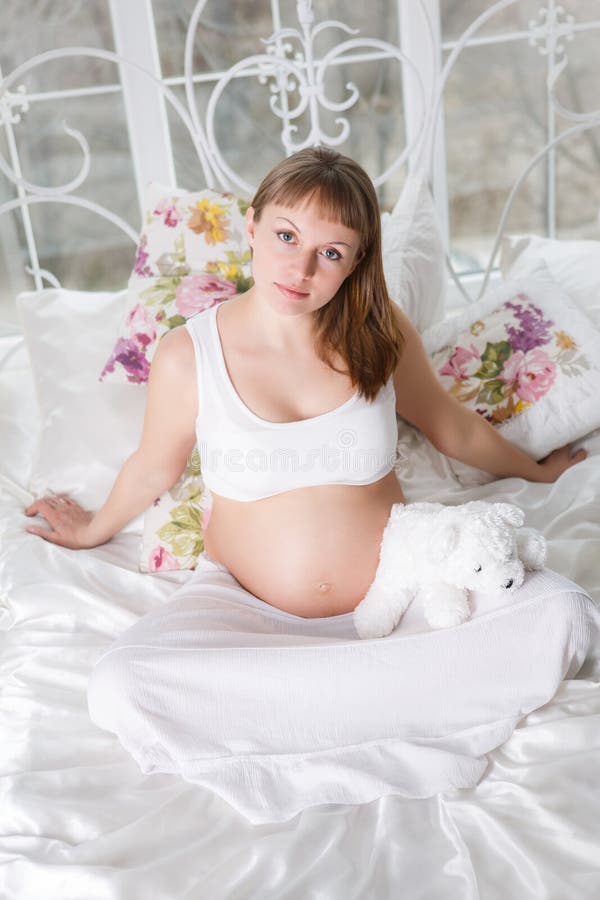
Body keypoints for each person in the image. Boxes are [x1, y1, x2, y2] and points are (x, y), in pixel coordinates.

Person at [23, 148, 594, 820]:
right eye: (287, 237)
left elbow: (451, 427)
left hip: (401, 594)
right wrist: (92, 528)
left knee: (565, 613)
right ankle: (379, 700)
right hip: (246, 612)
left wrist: (537, 469)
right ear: (253, 227)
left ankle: (323, 706)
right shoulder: (189, 354)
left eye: (331, 252)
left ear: (356, 261)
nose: (300, 269)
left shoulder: (378, 336)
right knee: (120, 685)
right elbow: (154, 466)